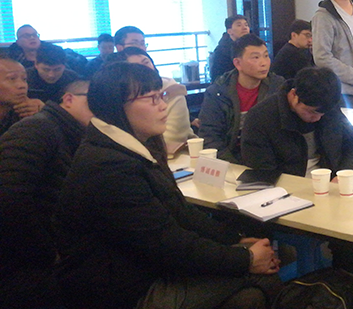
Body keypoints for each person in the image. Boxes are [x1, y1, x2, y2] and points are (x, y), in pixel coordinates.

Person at [53, 62, 281, 309]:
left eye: (161, 96)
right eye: (151, 99)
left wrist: (237, 239)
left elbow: (181, 212)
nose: (163, 106)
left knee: (255, 287)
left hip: (148, 269)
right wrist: (245, 259)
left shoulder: (134, 145)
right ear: (116, 105)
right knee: (265, 275)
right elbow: (167, 244)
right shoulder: (108, 166)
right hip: (123, 289)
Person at [240, 67, 353, 308]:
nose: (317, 118)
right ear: (294, 95)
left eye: (321, 114)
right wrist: (310, 191)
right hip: (284, 202)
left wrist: (343, 175)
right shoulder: (262, 117)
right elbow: (262, 174)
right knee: (349, 226)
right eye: (310, 112)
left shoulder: (327, 109)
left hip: (327, 193)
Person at [0, 80, 93, 308]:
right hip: (27, 266)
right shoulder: (37, 128)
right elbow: (9, 197)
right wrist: (49, 251)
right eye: (94, 101)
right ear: (69, 99)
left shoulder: (73, 133)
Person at [199, 33, 284, 162]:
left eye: (266, 56)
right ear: (237, 63)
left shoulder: (277, 87)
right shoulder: (218, 93)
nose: (264, 63)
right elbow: (210, 137)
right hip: (230, 160)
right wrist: (233, 165)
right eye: (255, 57)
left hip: (267, 160)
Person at [108, 47, 196, 147]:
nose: (163, 105)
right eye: (137, 67)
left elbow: (173, 137)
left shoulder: (171, 88)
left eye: (146, 62)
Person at [0, 55, 40, 135]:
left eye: (24, 79)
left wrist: (43, 115)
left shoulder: (28, 111)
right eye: (12, 79)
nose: (22, 85)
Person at [210, 15, 251, 81]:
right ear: (229, 31)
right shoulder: (222, 50)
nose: (244, 28)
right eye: (239, 25)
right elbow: (217, 76)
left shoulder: (253, 45)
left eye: (246, 25)